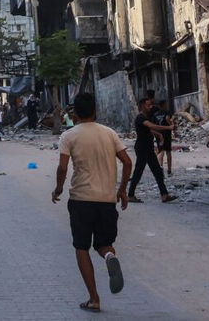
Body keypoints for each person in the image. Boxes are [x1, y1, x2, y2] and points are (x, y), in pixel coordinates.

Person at [51, 92, 132, 313]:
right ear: (95, 111)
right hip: (106, 200)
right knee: (104, 243)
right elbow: (127, 161)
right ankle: (109, 256)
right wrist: (122, 189)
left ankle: (94, 298)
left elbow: (62, 168)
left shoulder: (69, 136)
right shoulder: (110, 133)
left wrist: (58, 188)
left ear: (74, 113)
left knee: (81, 247)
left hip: (81, 199)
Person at [127, 95, 176, 203]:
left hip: (147, 148)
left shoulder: (145, 117)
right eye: (148, 105)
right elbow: (152, 126)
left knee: (157, 171)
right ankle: (130, 195)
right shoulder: (140, 117)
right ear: (142, 106)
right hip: (142, 148)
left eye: (151, 105)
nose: (150, 107)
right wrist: (168, 128)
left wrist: (158, 134)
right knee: (139, 172)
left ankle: (164, 195)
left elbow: (149, 130)